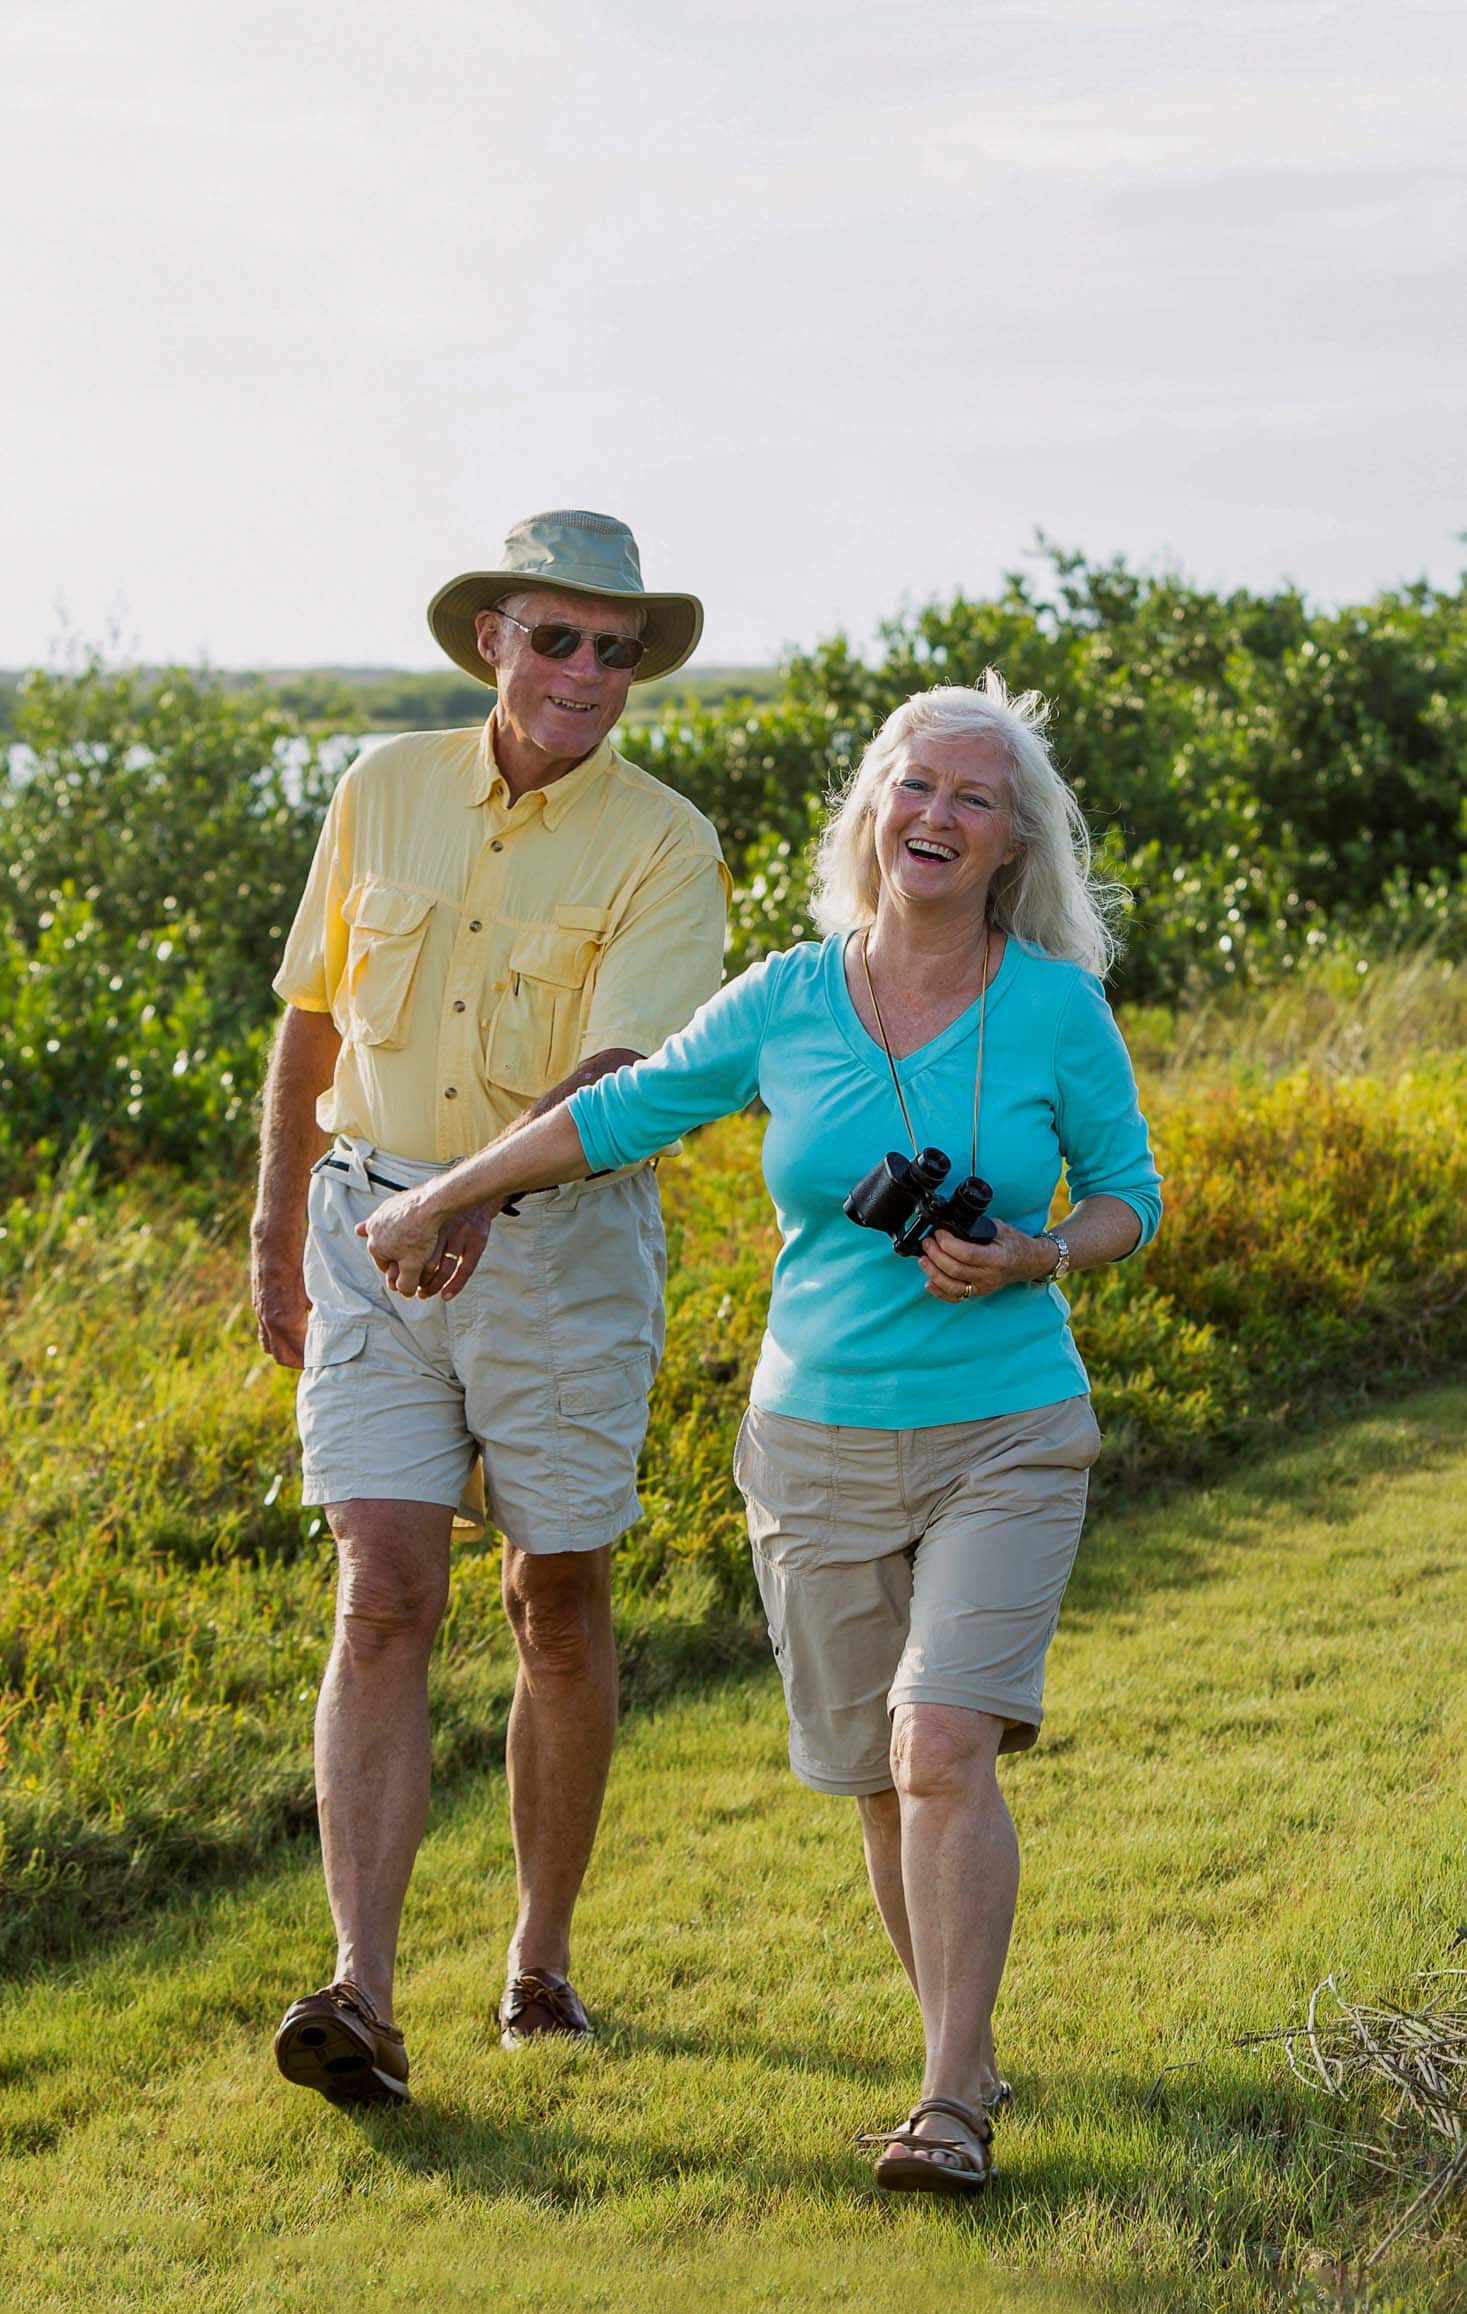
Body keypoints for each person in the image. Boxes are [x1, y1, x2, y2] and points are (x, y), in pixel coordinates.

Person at [356, 674, 1162, 2192]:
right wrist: (450, 1189)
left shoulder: (1055, 1008)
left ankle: (948, 2110)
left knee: (939, 1746)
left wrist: (1042, 1252)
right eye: (915, 786)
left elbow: (1133, 1196)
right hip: (815, 1444)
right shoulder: (792, 996)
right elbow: (620, 1113)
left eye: (973, 799)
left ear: (1011, 846)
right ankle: (963, 2051)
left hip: (1009, 1428)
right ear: (875, 810)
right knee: (875, 1773)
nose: (937, 813)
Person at [251, 511, 729, 2105]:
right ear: (491, 643)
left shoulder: (667, 840)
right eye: (556, 638)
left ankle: (538, 1959)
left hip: (559, 1247)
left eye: (615, 647)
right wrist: (272, 1230)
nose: (586, 671)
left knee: (557, 1597)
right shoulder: (380, 787)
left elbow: (625, 1077)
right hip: (361, 1231)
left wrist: (476, 1198)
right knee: (381, 1590)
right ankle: (361, 1993)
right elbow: (311, 1020)